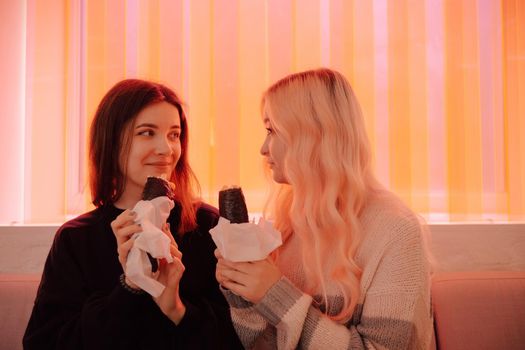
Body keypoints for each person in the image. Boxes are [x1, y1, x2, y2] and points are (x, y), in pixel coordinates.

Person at [215, 68, 435, 349]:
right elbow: (264, 344)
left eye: (272, 130)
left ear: (312, 136)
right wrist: (243, 295)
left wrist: (275, 294)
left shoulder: (397, 232)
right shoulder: (289, 221)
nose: (263, 148)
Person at [23, 79, 243, 349]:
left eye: (174, 135)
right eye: (147, 132)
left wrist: (177, 308)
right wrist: (130, 286)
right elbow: (44, 343)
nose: (166, 149)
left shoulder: (208, 226)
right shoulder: (77, 238)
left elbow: (241, 339)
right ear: (111, 141)